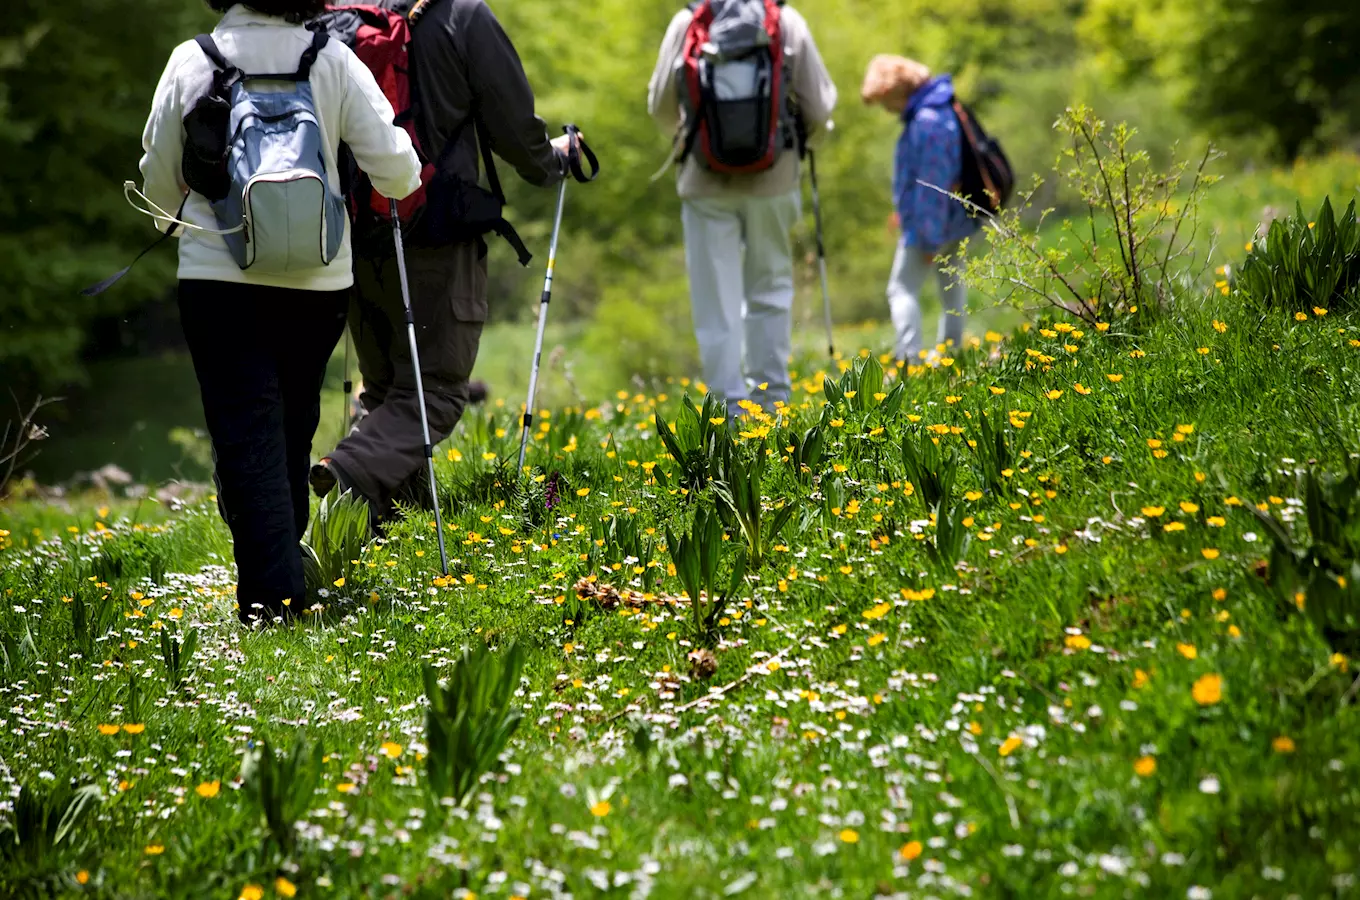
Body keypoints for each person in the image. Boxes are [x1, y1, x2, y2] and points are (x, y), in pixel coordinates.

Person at [139, 0, 422, 626]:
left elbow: (159, 190)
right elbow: (400, 175)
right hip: (319, 282)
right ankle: (282, 576)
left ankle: (277, 600)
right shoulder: (333, 60)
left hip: (219, 280)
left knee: (247, 432)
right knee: (291, 425)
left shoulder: (193, 61)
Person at [310, 0, 577, 517]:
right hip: (436, 229)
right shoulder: (460, 15)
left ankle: (389, 524)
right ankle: (348, 468)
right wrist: (555, 160)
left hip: (352, 233)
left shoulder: (336, 15)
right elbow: (514, 127)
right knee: (435, 394)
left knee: (389, 389)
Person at [648, 1, 837, 415]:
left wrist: (693, 138)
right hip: (774, 178)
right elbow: (820, 109)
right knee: (770, 289)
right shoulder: (785, 22)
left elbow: (659, 103)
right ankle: (771, 404)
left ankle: (728, 409)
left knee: (716, 300)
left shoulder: (689, 22)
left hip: (704, 182)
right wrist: (803, 144)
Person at [861, 55, 979, 367]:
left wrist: (927, 237)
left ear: (898, 92)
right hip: (954, 219)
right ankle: (953, 353)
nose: (887, 110)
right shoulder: (940, 109)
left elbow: (932, 184)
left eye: (885, 102)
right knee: (950, 279)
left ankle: (909, 359)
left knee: (901, 289)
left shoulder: (927, 121)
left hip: (936, 223)